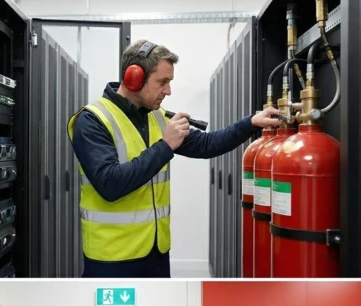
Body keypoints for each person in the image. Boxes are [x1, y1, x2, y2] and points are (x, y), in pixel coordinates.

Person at [68, 39, 284, 278]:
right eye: (162, 82)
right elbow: (110, 184)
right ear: (133, 78)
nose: (168, 91)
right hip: (111, 258)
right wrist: (166, 145)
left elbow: (207, 144)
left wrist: (250, 122)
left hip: (156, 252)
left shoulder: (157, 118)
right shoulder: (92, 120)